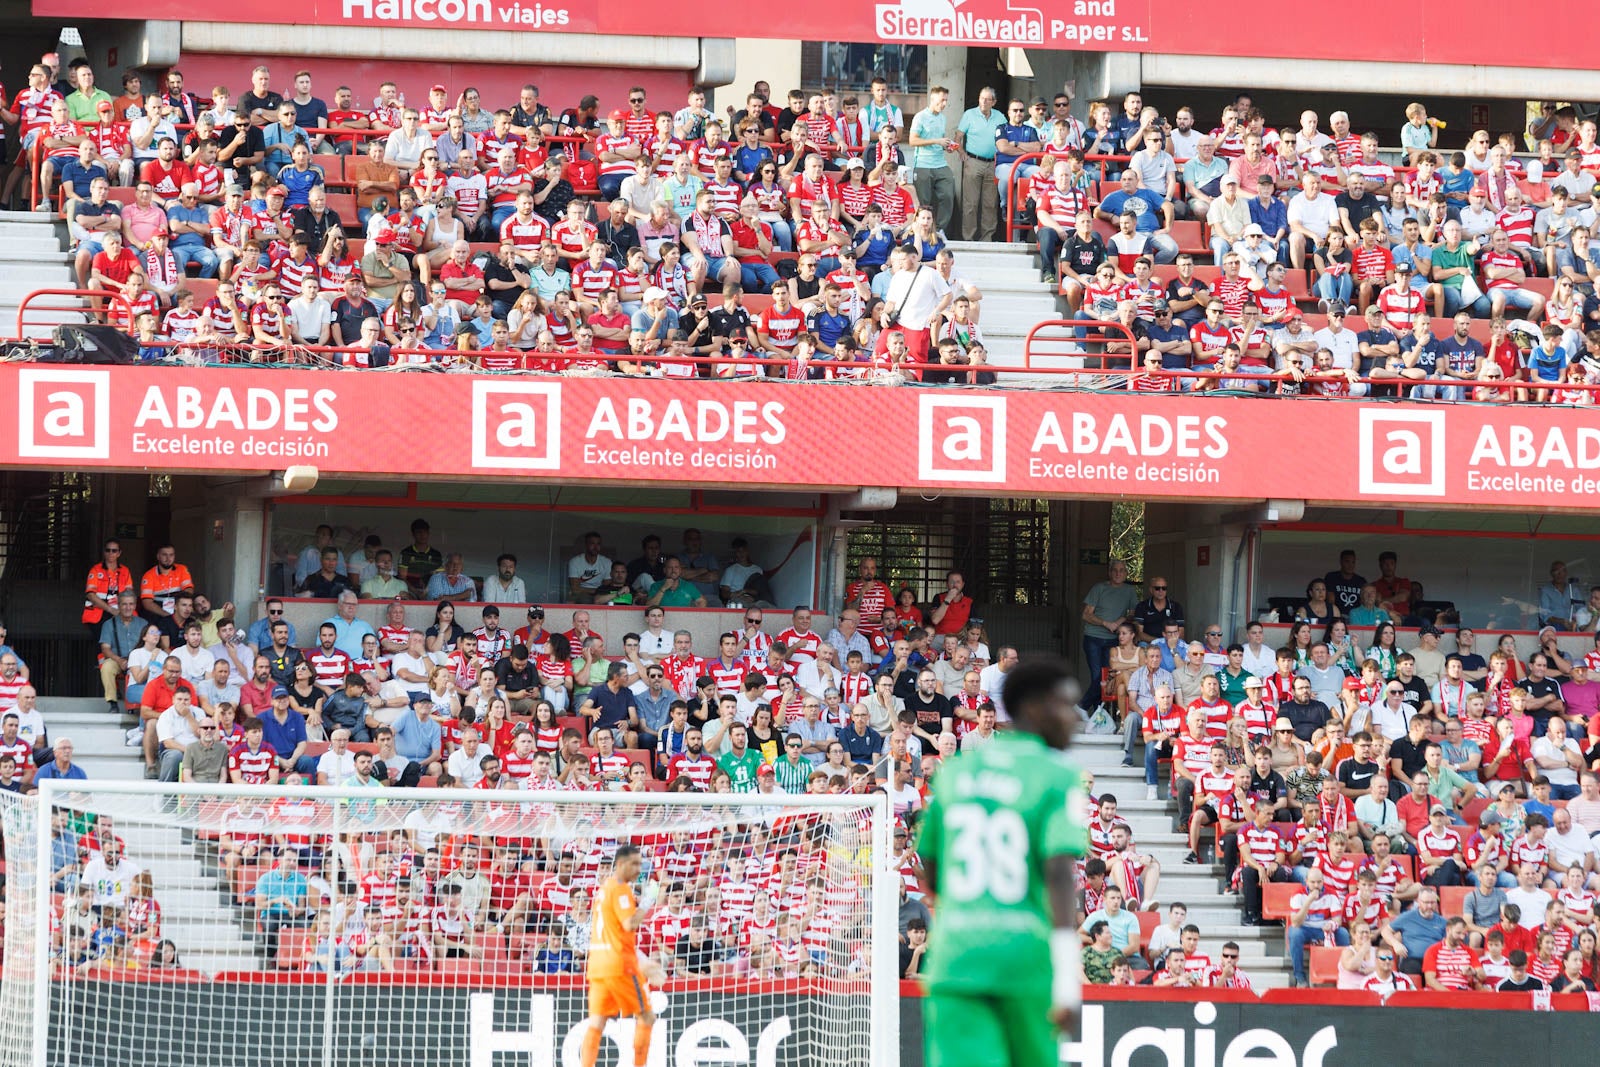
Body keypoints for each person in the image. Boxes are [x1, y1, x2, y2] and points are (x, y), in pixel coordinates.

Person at [919, 660, 1087, 1067]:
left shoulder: (957, 774)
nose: (1076, 719)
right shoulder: (1057, 775)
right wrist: (1068, 972)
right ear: (1033, 709)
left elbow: (931, 864)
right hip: (1023, 957)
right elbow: (1059, 875)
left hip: (956, 955)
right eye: (1065, 705)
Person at [577, 844, 658, 1067]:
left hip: (598, 966)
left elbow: (613, 931)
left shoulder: (604, 890)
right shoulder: (621, 889)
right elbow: (628, 924)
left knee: (597, 1022)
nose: (637, 869)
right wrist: (649, 902)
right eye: (633, 864)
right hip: (619, 965)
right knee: (646, 1017)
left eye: (640, 864)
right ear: (620, 864)